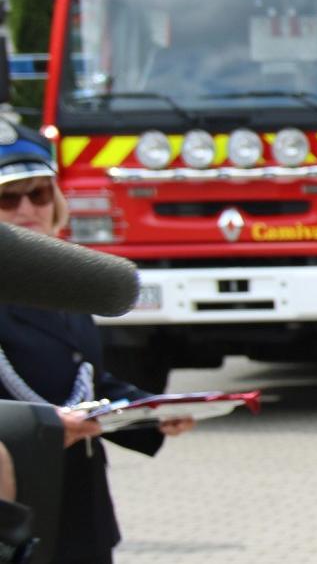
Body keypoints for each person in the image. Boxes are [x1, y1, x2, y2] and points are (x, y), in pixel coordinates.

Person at [0, 124, 195, 563]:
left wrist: (151, 412)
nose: (27, 208)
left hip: (81, 503)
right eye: (8, 198)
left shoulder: (68, 279)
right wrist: (48, 426)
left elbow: (87, 378)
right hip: (19, 495)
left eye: (39, 193)